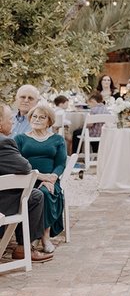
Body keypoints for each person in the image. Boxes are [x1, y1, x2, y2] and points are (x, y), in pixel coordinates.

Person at [0, 104, 52, 263]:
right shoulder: (4, 143)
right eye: (10, 119)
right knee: (35, 195)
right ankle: (24, 248)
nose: (13, 123)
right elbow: (25, 167)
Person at [15, 104, 67, 254]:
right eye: (34, 116)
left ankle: (45, 237)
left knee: (45, 193)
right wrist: (38, 176)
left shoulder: (57, 139)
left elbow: (60, 163)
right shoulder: (20, 138)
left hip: (50, 180)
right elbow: (18, 163)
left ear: (49, 121)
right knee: (37, 194)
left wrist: (52, 177)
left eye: (41, 117)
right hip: (27, 179)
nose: (37, 119)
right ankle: (32, 237)